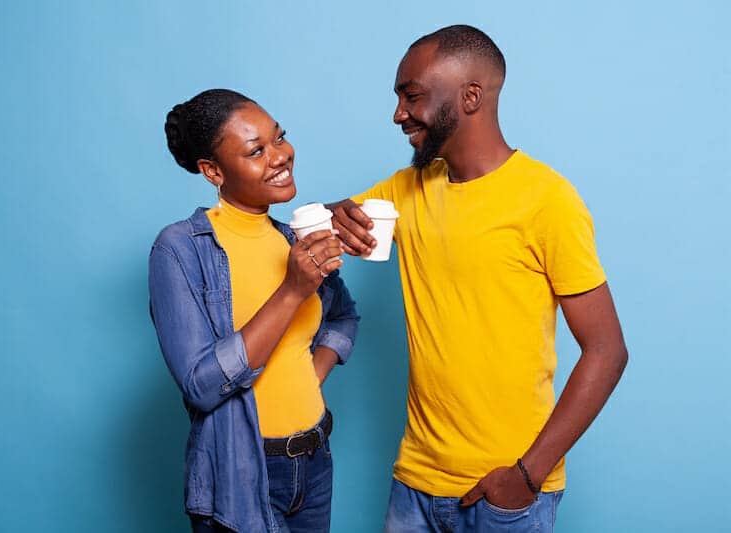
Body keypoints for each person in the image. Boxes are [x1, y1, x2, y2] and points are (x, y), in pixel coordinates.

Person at [330, 25, 628, 532]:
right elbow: (320, 233)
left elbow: (607, 350)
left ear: (471, 97)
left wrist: (526, 477)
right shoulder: (407, 189)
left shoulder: (547, 200)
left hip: (506, 495)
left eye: (412, 95)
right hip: (414, 486)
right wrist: (335, 212)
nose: (398, 113)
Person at [149, 89, 359, 533]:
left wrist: (312, 375)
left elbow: (342, 316)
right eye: (256, 150)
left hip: (315, 460)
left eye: (279, 138)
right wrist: (290, 292)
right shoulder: (180, 249)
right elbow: (200, 385)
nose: (280, 156)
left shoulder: (293, 239)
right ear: (212, 171)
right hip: (243, 473)